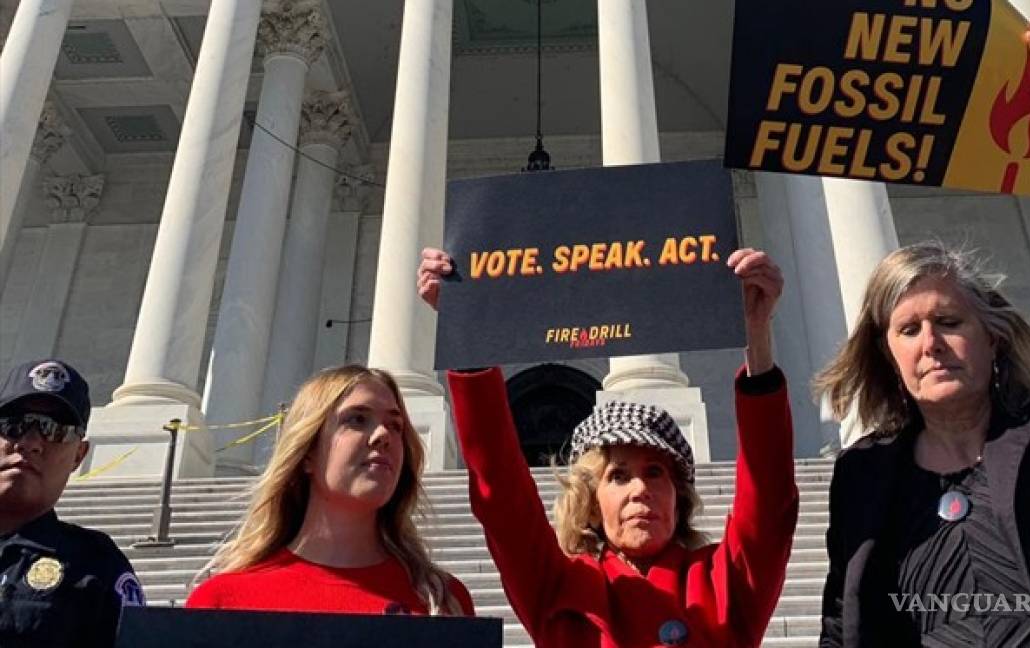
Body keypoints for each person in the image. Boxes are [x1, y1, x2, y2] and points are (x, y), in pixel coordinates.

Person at [813, 24, 1030, 648]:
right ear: (888, 359)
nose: (930, 343)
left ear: (993, 337)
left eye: (949, 321)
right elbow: (843, 625)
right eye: (908, 330)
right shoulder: (864, 476)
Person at [418, 246, 799, 647]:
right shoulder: (560, 587)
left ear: (679, 497)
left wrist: (756, 334)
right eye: (618, 475)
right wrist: (465, 331)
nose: (640, 489)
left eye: (655, 472)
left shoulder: (723, 582)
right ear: (592, 502)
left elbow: (769, 500)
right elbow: (503, 498)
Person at [186, 365, 473, 616]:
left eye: (395, 425)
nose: (384, 435)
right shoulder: (220, 602)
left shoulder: (444, 602)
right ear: (308, 452)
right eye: (357, 419)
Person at [0, 358, 145, 648]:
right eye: (14, 425)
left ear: (79, 455)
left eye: (53, 429)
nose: (29, 443)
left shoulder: (96, 567)